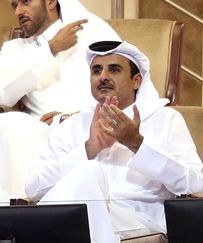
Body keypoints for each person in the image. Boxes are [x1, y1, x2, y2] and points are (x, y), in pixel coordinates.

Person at [25, 40, 203, 242]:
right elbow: (33, 188)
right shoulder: (72, 124)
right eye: (96, 71)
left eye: (114, 69)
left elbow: (195, 184)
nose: (103, 76)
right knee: (85, 177)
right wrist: (89, 148)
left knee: (88, 175)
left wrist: (136, 143)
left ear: (136, 81)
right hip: (76, 219)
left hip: (139, 220)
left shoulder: (164, 119)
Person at [0, 0, 120, 202]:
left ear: (50, 2)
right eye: (14, 5)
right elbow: (4, 92)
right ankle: (15, 217)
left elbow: (122, 83)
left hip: (90, 123)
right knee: (10, 124)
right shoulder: (15, 50)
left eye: (26, 2)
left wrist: (76, 116)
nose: (19, 11)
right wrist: (51, 48)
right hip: (41, 133)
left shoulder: (93, 33)